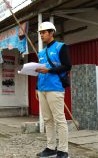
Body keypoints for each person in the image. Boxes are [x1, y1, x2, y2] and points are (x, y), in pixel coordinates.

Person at [35, 22, 72, 158]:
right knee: (47, 120)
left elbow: (67, 66)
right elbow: (40, 71)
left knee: (59, 119)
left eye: (44, 32)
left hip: (55, 88)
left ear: (51, 33)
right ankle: (51, 147)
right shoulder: (41, 52)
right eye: (40, 33)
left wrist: (49, 69)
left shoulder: (61, 47)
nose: (41, 35)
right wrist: (36, 87)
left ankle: (63, 150)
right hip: (42, 88)